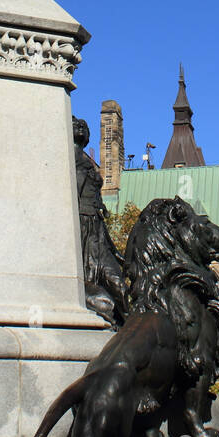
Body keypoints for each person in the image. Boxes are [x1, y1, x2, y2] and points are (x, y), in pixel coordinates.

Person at [73, 117, 129, 329]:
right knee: (92, 282)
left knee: (118, 283)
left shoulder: (86, 161)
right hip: (82, 228)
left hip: (98, 230)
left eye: (84, 127)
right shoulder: (68, 159)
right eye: (76, 126)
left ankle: (129, 330)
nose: (81, 128)